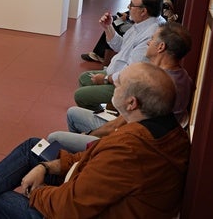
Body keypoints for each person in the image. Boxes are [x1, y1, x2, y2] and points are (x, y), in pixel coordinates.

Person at [0, 62, 190, 219]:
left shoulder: (132, 150)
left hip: (77, 210)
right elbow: (92, 159)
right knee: (34, 147)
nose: (113, 85)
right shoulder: (158, 129)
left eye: (119, 85)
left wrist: (35, 193)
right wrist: (48, 168)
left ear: (131, 102)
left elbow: (71, 206)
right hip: (83, 186)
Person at [50, 22, 194, 152]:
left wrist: (88, 137)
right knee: (72, 113)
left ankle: (82, 159)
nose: (149, 42)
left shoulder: (153, 84)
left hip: (127, 141)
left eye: (152, 39)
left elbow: (115, 127)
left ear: (161, 47)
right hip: (133, 133)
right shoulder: (184, 77)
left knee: (54, 138)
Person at [74, 0, 164, 111]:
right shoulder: (142, 24)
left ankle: (100, 120)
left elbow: (131, 74)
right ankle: (101, 113)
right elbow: (121, 46)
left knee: (80, 96)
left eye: (132, 5)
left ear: (143, 11)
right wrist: (108, 27)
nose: (128, 7)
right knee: (84, 78)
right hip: (117, 72)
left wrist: (105, 79)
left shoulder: (151, 35)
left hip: (126, 84)